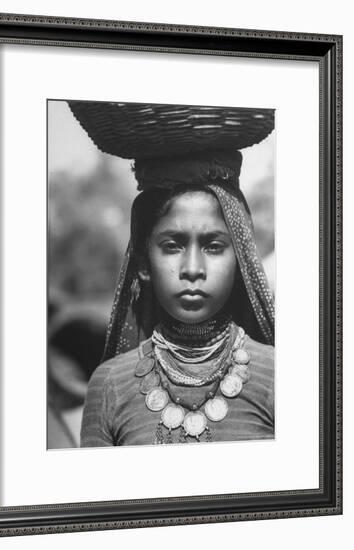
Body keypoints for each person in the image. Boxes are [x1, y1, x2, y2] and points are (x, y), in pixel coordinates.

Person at [69, 102, 275, 446]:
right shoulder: (108, 386)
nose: (192, 269)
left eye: (212, 246)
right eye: (173, 245)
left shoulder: (281, 379)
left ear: (240, 262)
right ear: (144, 265)